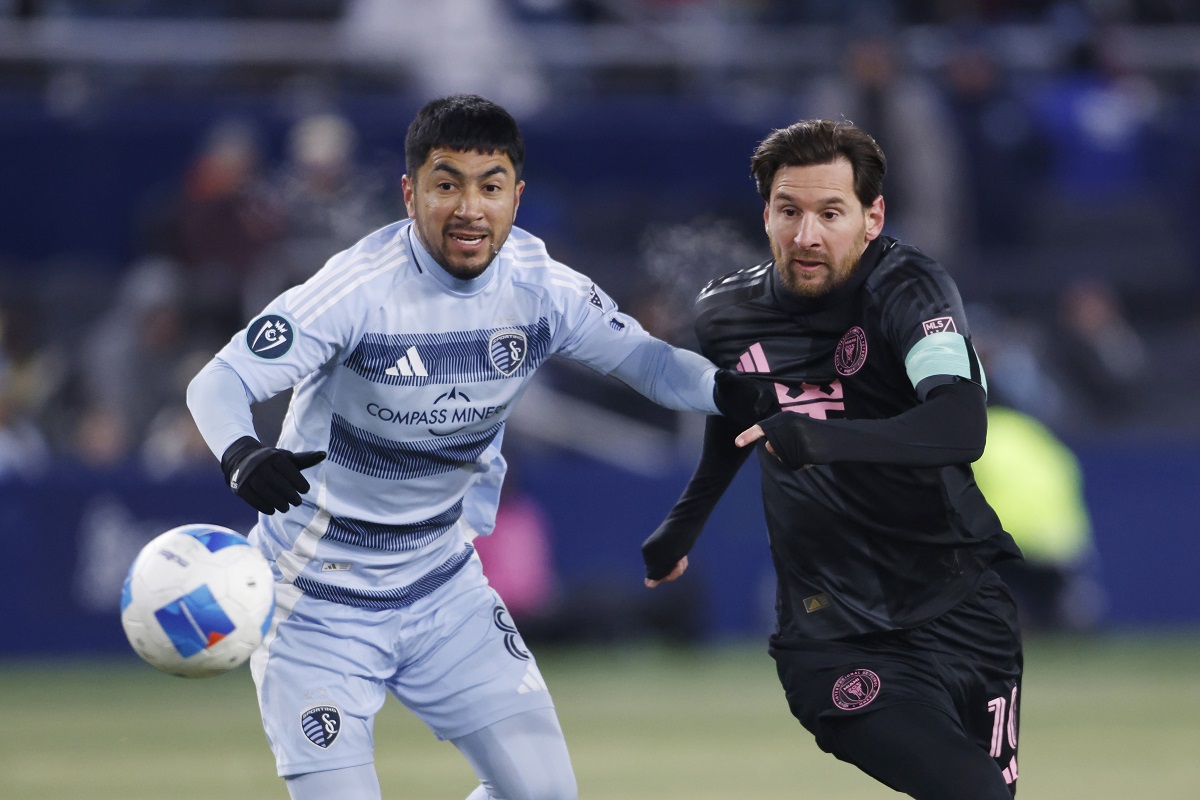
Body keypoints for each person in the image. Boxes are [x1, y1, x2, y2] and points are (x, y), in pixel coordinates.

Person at [185, 94, 773, 800]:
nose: (469, 207)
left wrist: (726, 390)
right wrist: (243, 454)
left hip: (442, 590)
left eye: (490, 186)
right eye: (446, 184)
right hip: (315, 605)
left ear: (516, 197)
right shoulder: (357, 290)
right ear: (410, 194)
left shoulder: (541, 287)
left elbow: (648, 363)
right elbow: (219, 381)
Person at [641, 119, 1025, 798]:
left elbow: (960, 423)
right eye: (789, 211)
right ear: (765, 214)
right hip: (832, 631)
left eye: (830, 212)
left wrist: (822, 438)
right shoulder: (725, 313)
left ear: (872, 216)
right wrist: (681, 527)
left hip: (964, 610)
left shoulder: (913, 290)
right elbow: (735, 416)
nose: (806, 235)